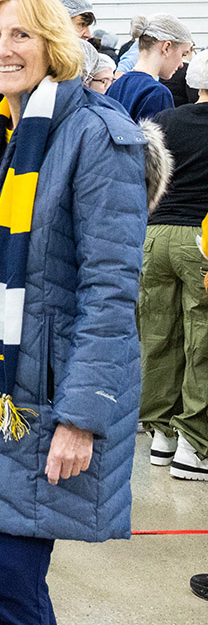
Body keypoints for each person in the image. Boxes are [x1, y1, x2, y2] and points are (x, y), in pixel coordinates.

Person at [0, 0, 158, 625]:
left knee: (13, 586)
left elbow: (109, 294)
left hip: (46, 397)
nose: (3, 48)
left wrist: (81, 418)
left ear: (56, 42)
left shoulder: (98, 136)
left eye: (21, 33)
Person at [140, 49, 208, 479]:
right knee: (201, 340)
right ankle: (194, 445)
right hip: (201, 240)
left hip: (154, 236)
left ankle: (161, 437)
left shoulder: (164, 121)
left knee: (158, 335)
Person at [106, 13, 194, 122]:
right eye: (183, 54)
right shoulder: (157, 93)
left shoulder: (116, 86)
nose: (181, 64)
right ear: (166, 47)